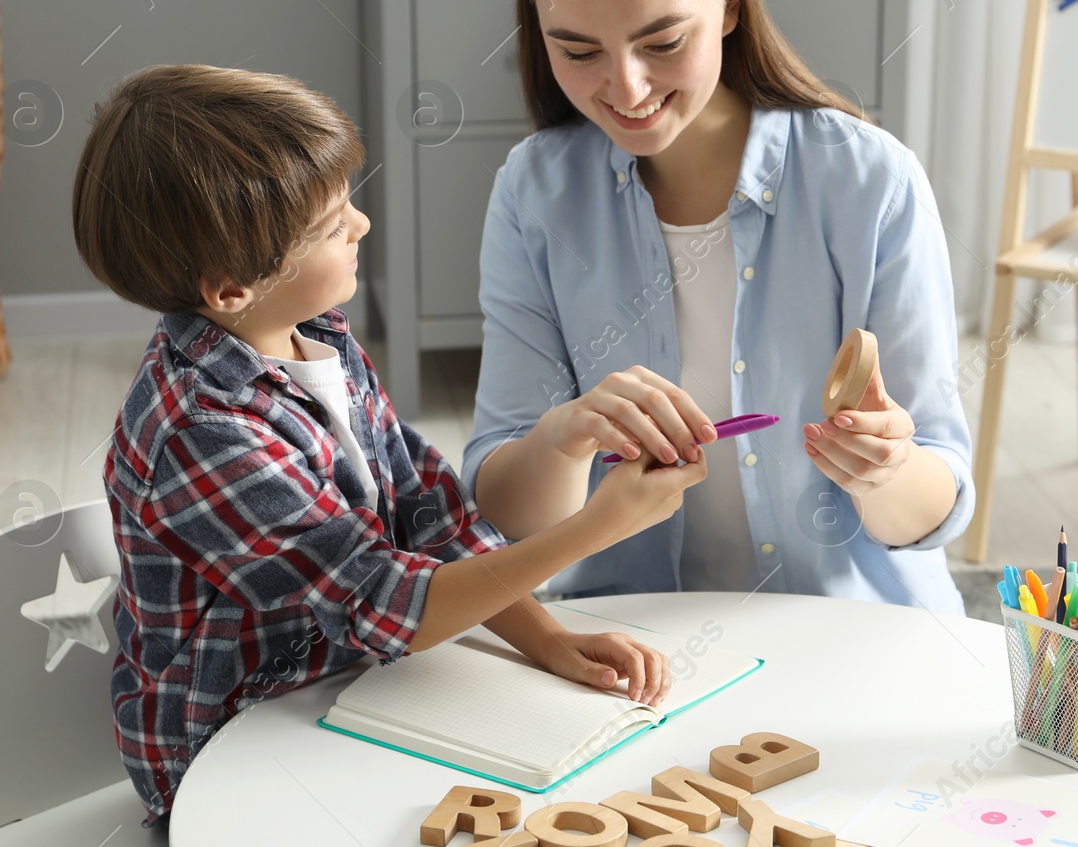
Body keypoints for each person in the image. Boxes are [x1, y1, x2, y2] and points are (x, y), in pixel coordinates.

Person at [72, 64, 706, 827]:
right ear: (231, 288)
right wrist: (596, 527)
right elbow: (381, 599)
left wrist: (546, 637)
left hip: (353, 689)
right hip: (230, 751)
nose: (362, 226)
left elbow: (426, 518)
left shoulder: (317, 339)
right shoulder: (203, 432)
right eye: (332, 224)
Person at [464, 0, 974, 613]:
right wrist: (564, 438)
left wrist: (887, 467)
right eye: (577, 50)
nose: (625, 88)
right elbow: (504, 509)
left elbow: (937, 507)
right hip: (628, 637)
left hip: (848, 630)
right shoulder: (535, 194)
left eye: (663, 43)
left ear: (730, 5)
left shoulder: (870, 182)